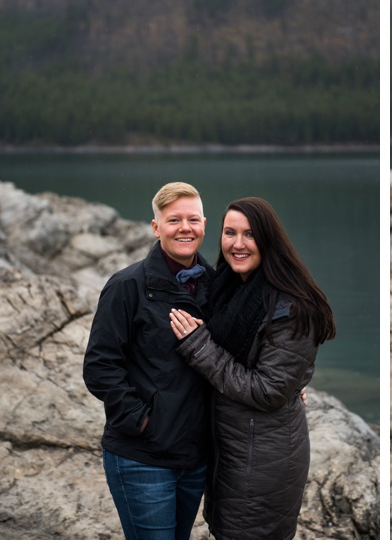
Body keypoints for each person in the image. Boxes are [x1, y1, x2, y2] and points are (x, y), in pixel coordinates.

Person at [168, 196, 336, 540]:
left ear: (269, 241)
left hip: (262, 462)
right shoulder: (229, 289)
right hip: (233, 451)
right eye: (230, 233)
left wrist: (198, 345)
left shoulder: (291, 306)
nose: (238, 244)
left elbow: (267, 390)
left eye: (250, 234)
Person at [83, 182, 213, 540]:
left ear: (204, 224)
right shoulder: (128, 285)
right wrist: (142, 421)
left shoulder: (216, 286)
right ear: (156, 228)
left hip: (196, 458)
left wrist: (291, 382)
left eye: (192, 219)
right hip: (142, 458)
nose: (184, 228)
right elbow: (99, 366)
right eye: (174, 220)